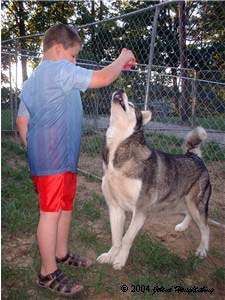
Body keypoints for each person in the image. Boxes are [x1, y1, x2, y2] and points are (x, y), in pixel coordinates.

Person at [16, 24, 136, 297]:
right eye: (73, 56)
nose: (74, 62)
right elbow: (104, 78)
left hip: (59, 158)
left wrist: (33, 148)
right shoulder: (58, 70)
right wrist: (122, 58)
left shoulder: (34, 80)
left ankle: (60, 252)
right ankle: (47, 272)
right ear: (58, 49)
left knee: (63, 206)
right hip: (53, 158)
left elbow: (23, 121)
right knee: (50, 212)